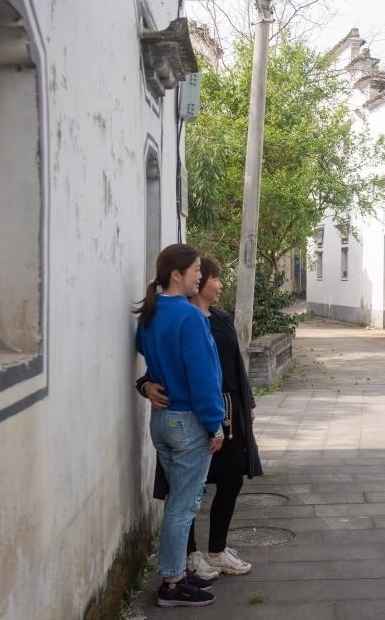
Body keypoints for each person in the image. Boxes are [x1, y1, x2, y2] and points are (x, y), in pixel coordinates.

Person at [138, 257, 263, 580]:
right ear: (183, 276)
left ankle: (213, 552)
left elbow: (234, 365)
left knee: (227, 481)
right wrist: (145, 385)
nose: (218, 284)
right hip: (198, 413)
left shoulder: (216, 318)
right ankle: (184, 563)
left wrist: (246, 402)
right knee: (187, 496)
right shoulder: (187, 317)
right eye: (209, 276)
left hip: (221, 411)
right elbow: (183, 370)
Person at [134, 244, 225, 607]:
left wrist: (147, 385)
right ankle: (172, 583)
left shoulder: (151, 312)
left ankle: (176, 573)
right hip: (188, 421)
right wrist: (215, 424)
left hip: (162, 420)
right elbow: (203, 376)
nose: (200, 276)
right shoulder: (189, 316)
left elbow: (146, 352)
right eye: (197, 270)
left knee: (178, 502)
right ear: (177, 274)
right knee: (183, 506)